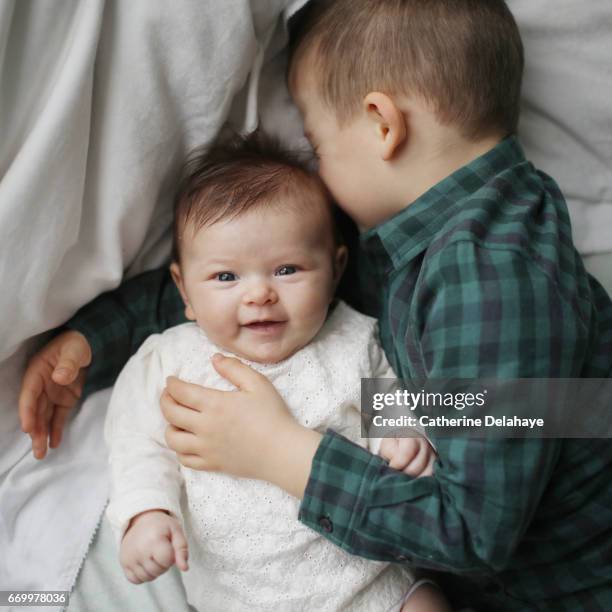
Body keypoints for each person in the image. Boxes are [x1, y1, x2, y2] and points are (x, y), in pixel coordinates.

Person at [18, 1, 612, 609]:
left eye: (318, 144)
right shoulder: (433, 240)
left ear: (382, 124)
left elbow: (472, 532)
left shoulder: (491, 278)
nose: (319, 176)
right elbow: (249, 286)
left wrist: (283, 453)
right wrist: (94, 339)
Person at [66, 131, 450, 611]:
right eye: (226, 277)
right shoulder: (170, 360)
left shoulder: (353, 339)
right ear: (184, 292)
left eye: (287, 269)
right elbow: (135, 442)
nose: (259, 295)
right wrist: (147, 511)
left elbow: (392, 396)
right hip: (242, 597)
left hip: (367, 586)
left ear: (335, 269)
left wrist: (405, 432)